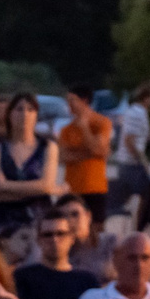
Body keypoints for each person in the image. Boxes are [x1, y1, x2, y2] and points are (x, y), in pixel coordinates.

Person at [0, 95, 59, 259]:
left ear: (37, 115)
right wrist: (38, 188)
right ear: (10, 114)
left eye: (30, 109)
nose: (25, 114)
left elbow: (45, 185)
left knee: (34, 271)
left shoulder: (48, 147)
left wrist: (6, 186)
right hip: (1, 222)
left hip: (36, 220)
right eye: (19, 109)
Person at [56, 91, 114, 226]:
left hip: (95, 187)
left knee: (96, 229)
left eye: (72, 100)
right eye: (67, 101)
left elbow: (98, 149)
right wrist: (90, 154)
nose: (69, 105)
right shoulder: (66, 129)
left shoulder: (101, 123)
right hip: (72, 188)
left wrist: (84, 128)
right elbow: (62, 157)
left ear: (85, 101)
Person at [110, 83, 150, 228]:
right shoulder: (137, 113)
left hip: (129, 163)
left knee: (143, 193)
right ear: (147, 98)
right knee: (148, 191)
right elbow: (130, 140)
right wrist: (143, 161)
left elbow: (138, 137)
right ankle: (139, 226)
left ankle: (137, 224)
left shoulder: (139, 112)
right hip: (131, 163)